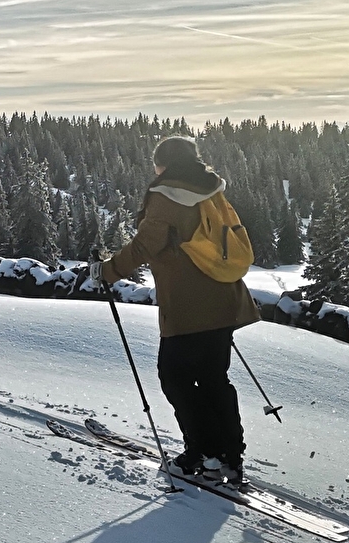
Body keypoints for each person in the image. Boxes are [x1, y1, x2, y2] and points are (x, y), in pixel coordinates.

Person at [92, 135, 260, 485]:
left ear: (163, 164)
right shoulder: (211, 188)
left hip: (188, 305)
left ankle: (201, 454)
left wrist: (106, 271)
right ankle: (231, 457)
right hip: (225, 300)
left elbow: (144, 246)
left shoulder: (167, 195)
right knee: (215, 379)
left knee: (175, 376)